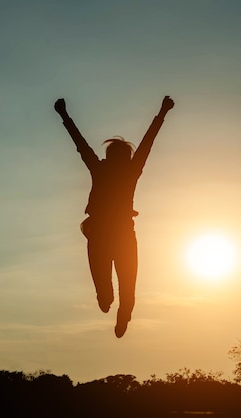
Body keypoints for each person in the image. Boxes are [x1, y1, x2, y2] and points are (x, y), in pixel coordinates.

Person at [54, 95, 174, 337]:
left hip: (108, 234)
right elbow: (146, 143)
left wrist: (64, 115)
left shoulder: (103, 169)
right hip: (113, 233)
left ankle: (117, 309)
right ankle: (118, 307)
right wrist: (162, 112)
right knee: (121, 289)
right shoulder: (126, 170)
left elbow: (82, 145)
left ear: (111, 158)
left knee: (117, 289)